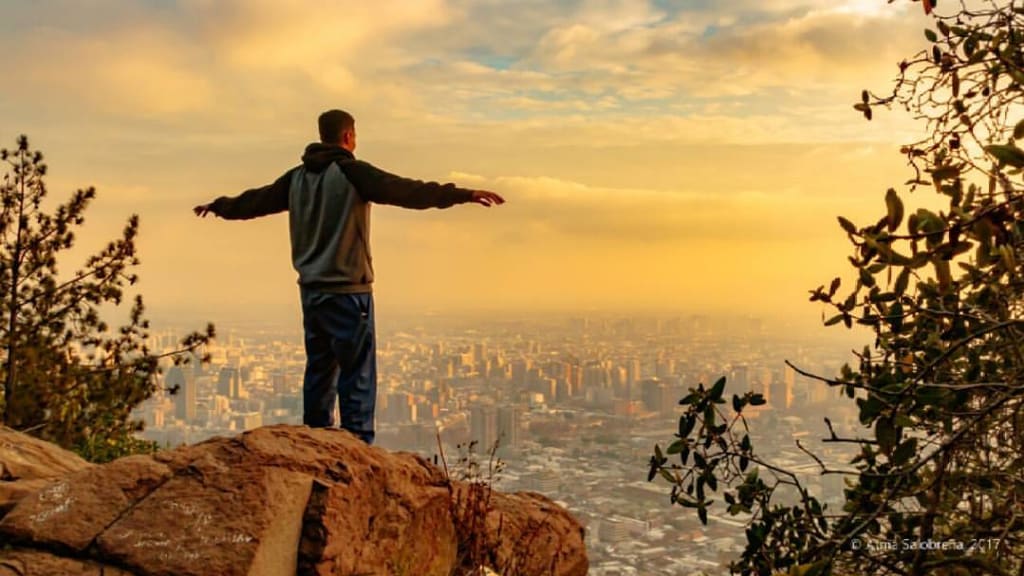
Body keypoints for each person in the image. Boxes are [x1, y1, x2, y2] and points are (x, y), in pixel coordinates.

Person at [194, 109, 505, 444]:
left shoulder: (296, 178)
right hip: (348, 292)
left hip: (311, 293)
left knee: (319, 371)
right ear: (348, 137)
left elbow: (254, 201)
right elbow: (407, 191)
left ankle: (314, 443)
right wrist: (462, 194)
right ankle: (356, 451)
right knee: (357, 375)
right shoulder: (352, 172)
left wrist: (220, 205)